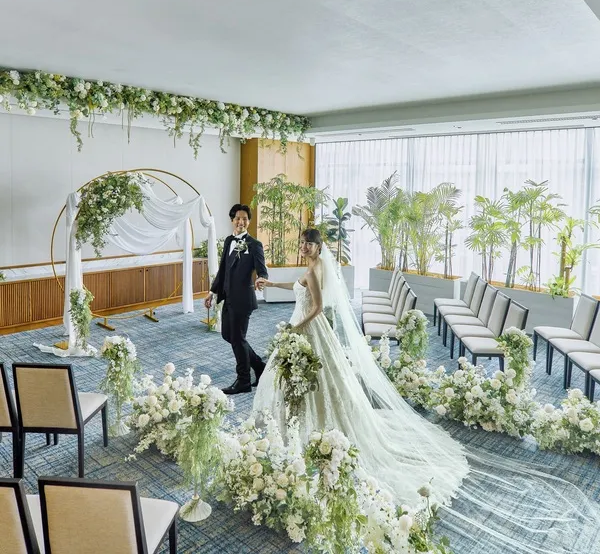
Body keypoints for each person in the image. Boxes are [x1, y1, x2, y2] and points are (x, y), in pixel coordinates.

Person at [255, 228, 600, 554]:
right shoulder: (311, 269)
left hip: (308, 328)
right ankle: (307, 420)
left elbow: (315, 307)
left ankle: (315, 423)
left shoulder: (315, 271)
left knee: (316, 379)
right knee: (313, 380)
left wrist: (295, 327)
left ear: (318, 247)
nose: (305, 246)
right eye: (303, 242)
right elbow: (300, 288)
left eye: (309, 243)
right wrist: (272, 283)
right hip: (307, 328)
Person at [204, 204, 268, 395]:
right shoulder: (229, 241)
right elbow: (223, 269)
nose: (241, 222)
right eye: (238, 218)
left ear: (249, 221)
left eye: (245, 219)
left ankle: (243, 381)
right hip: (228, 297)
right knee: (228, 335)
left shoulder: (254, 244)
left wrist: (261, 278)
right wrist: (212, 292)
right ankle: (260, 366)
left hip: (243, 299)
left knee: (238, 339)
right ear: (232, 220)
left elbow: (262, 269)